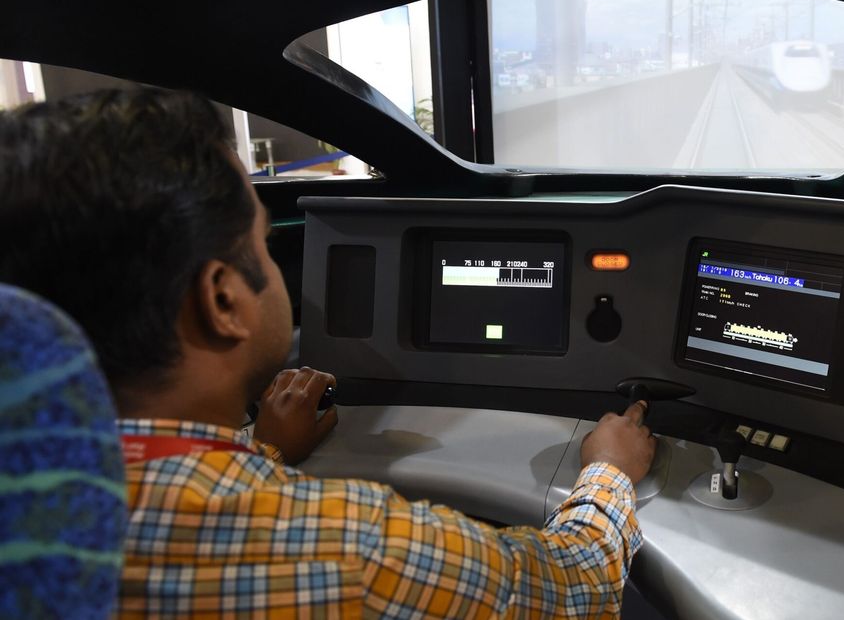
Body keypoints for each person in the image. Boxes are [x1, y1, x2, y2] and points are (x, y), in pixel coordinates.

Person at [0, 88, 656, 618]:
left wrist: (266, 451)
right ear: (223, 300)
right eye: (260, 241)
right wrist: (609, 472)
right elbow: (573, 587)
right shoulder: (354, 551)